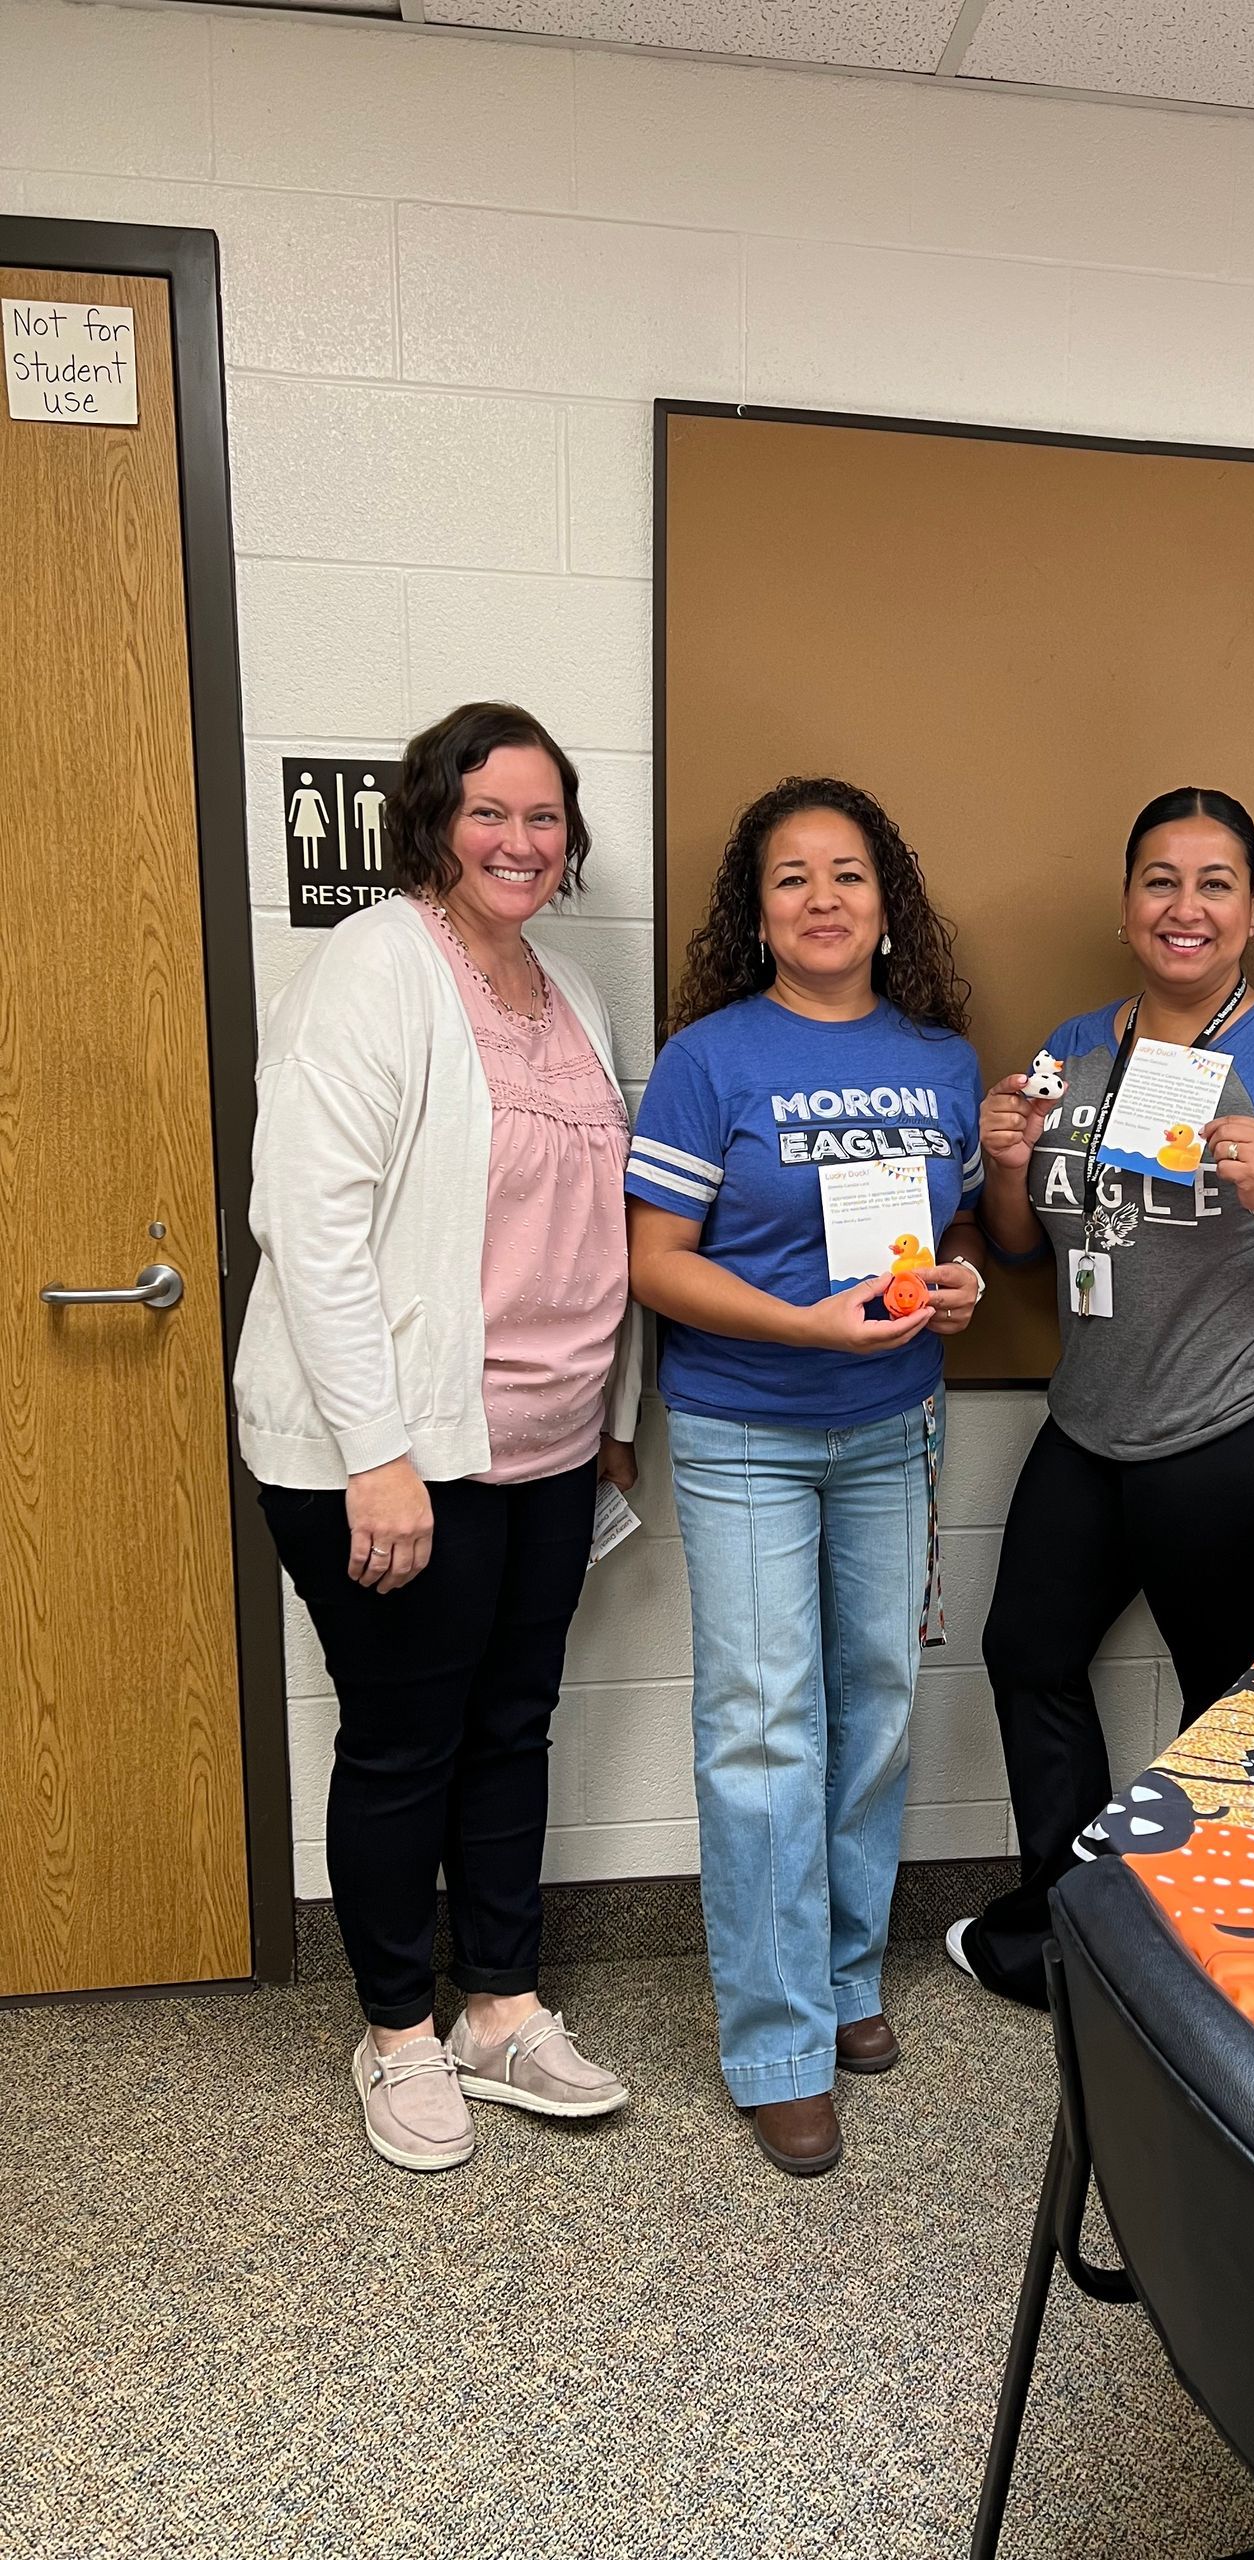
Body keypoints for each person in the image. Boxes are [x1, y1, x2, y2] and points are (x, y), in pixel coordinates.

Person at [235, 701, 640, 2174]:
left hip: (541, 1440)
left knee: (514, 1724)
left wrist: (611, 1414)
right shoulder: (376, 967)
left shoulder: (573, 990)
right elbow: (313, 1223)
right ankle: (396, 2029)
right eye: (490, 814)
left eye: (544, 818)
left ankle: (501, 2007)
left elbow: (592, 1226)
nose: (519, 842)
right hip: (394, 1450)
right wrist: (378, 1449)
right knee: (406, 1741)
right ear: (435, 822)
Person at [949, 787, 1254, 2008]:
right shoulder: (1077, 1048)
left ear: (1250, 914)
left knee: (1221, 1697)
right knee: (1026, 1650)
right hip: (1091, 1419)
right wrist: (1002, 1166)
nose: (1184, 906)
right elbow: (1026, 1250)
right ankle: (1066, 1926)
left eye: (1214, 884)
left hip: (1237, 1427)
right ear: (1127, 901)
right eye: (1160, 880)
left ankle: (1202, 1952)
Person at [625, 777, 984, 2177]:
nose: (823, 898)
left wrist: (947, 1288)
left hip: (894, 1423)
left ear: (887, 904)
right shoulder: (710, 1060)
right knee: (766, 1727)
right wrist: (800, 1326)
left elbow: (942, 1245)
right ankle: (774, 2043)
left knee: (879, 1706)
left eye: (848, 874)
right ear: (756, 912)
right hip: (746, 1429)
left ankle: (841, 1978)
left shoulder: (944, 1061)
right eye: (792, 878)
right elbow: (654, 1264)